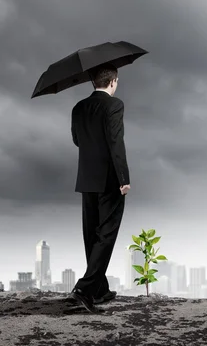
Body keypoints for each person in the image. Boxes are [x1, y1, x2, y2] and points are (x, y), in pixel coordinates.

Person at [68, 64, 131, 313]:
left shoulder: (78, 107)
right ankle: (84, 289)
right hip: (109, 179)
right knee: (106, 234)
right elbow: (116, 142)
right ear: (113, 81)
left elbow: (76, 139)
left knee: (91, 234)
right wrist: (123, 178)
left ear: (93, 82)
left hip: (86, 177)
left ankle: (99, 289)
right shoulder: (114, 106)